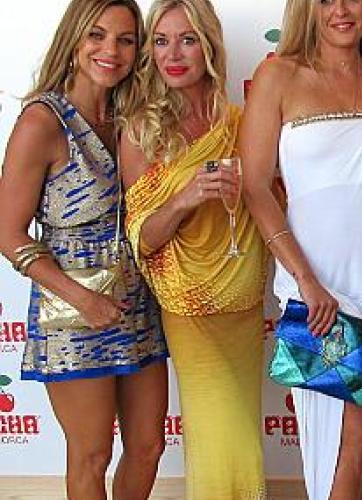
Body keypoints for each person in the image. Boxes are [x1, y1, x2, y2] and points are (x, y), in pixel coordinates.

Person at [240, 0, 362, 498]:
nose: (341, 9)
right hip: (317, 289)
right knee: (347, 437)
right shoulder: (277, 76)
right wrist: (306, 280)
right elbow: (255, 187)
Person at [0, 1, 168, 498]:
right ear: (74, 39)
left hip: (137, 304)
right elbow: (8, 233)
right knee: (92, 455)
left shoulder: (133, 117)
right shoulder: (43, 121)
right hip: (72, 314)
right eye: (97, 35)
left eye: (125, 40)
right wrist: (83, 299)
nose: (110, 50)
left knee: (148, 446)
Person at [119, 0, 267, 498]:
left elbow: (271, 203)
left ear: (209, 45)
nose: (173, 54)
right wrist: (185, 198)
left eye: (187, 40)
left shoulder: (242, 122)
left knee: (240, 438)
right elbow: (143, 238)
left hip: (243, 302)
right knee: (222, 435)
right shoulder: (142, 131)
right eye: (161, 41)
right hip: (189, 306)